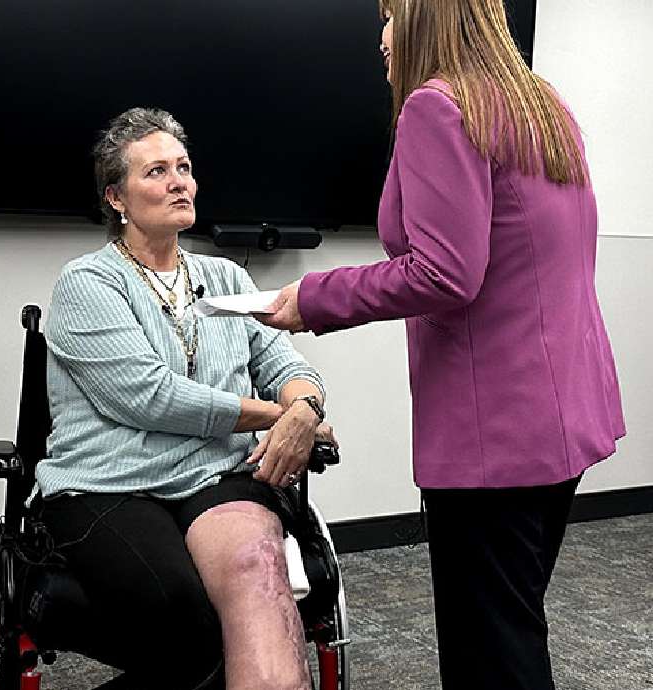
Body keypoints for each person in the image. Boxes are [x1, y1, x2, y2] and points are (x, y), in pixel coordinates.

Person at [260, 1, 625, 688]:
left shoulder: (439, 108)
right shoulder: (541, 107)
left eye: (392, 16)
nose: (382, 37)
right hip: (565, 420)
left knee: (492, 653)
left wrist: (315, 298)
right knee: (513, 626)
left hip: (498, 440)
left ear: (426, 19)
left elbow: (446, 271)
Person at [36, 107, 335, 690]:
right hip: (110, 483)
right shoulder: (86, 283)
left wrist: (304, 409)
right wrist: (278, 416)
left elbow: (285, 362)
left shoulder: (226, 278)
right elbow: (150, 397)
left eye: (184, 167)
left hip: (216, 475)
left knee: (256, 570)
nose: (180, 182)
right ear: (116, 197)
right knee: (187, 620)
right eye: (156, 172)